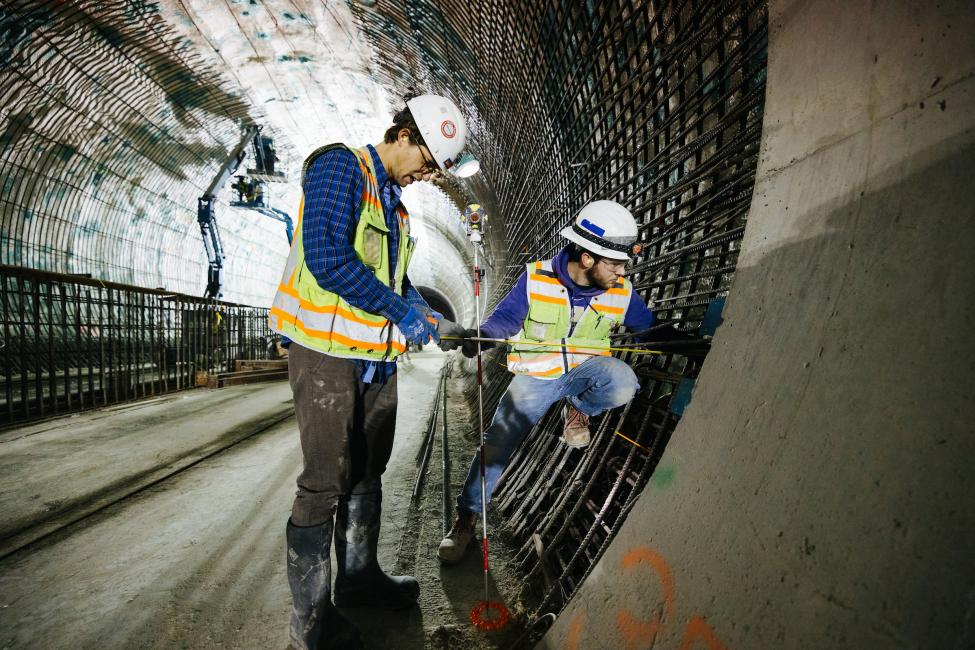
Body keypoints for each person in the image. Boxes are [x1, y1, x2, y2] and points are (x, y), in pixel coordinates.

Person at [270, 94, 470, 650]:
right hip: (325, 350)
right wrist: (401, 309)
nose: (427, 175)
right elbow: (328, 257)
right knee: (323, 480)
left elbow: (394, 277)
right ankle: (310, 623)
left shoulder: (396, 207)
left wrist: (420, 309)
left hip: (375, 355)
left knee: (367, 469)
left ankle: (359, 580)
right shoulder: (341, 167)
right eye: (427, 161)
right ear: (403, 135)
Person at [437, 200, 654, 565]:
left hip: (586, 373)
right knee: (497, 444)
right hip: (536, 377)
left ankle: (578, 407)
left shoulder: (621, 291)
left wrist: (689, 344)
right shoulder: (536, 278)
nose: (621, 270)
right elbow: (505, 321)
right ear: (587, 258)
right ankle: (466, 517)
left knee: (623, 381)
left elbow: (650, 330)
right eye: (615, 262)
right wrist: (482, 337)